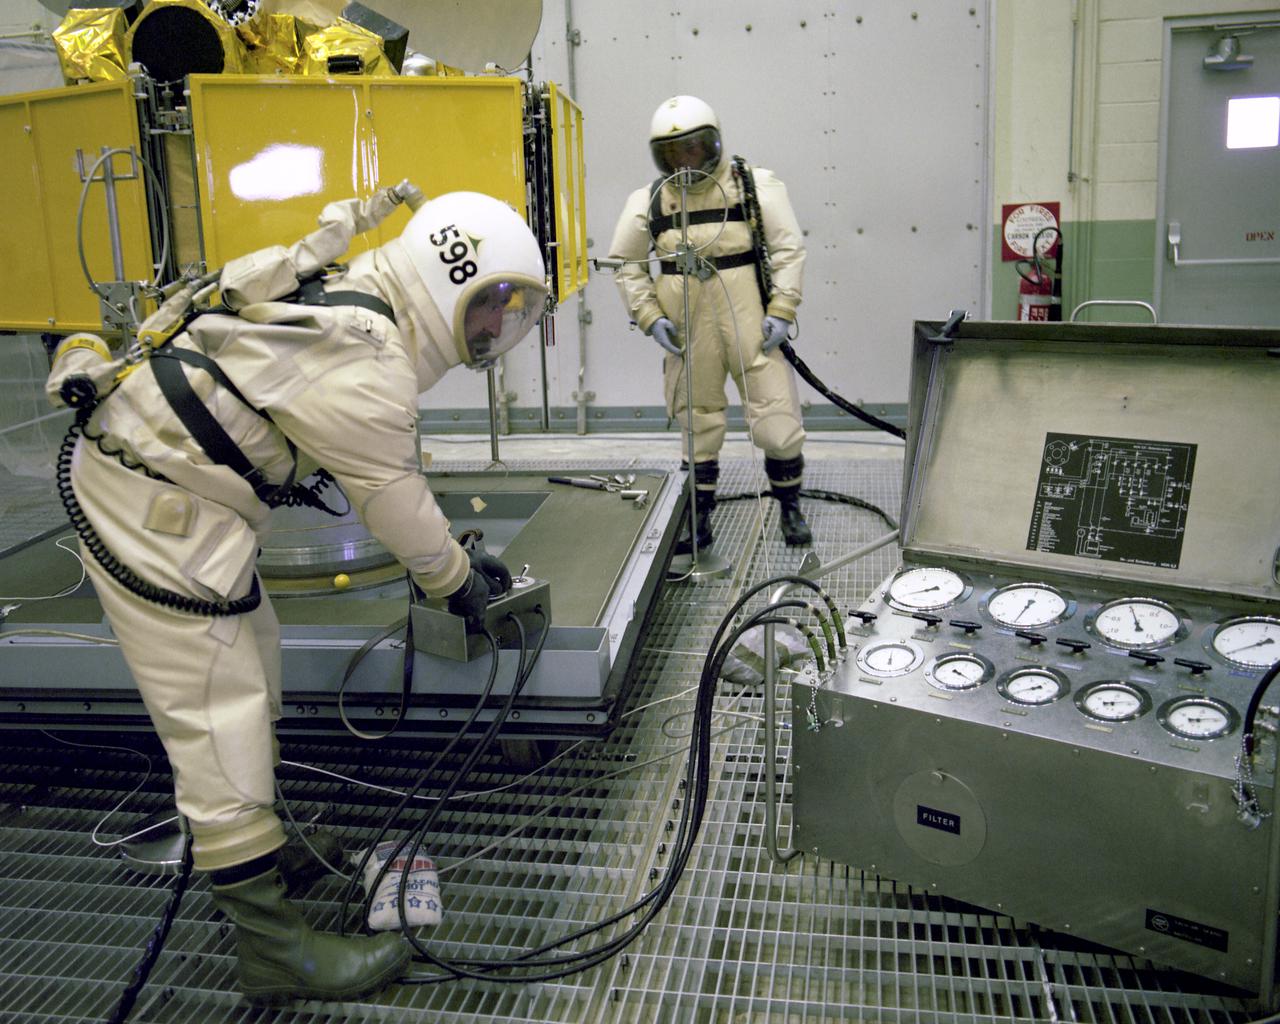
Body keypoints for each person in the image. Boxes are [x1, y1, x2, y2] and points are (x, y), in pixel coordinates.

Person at [46, 187, 547, 1005]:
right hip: (152, 504)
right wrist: (454, 578)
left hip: (170, 492)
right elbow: (393, 497)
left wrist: (451, 559)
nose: (495, 329)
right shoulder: (369, 354)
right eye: (490, 306)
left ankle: (260, 847)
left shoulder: (351, 299)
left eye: (509, 311)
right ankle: (272, 947)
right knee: (220, 706)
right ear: (448, 282)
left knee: (256, 657)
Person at [608, 95, 812, 553]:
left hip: (750, 320)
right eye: (673, 154)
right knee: (696, 423)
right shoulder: (651, 201)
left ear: (713, 144)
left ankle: (790, 507)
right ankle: (698, 522)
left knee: (776, 421)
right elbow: (625, 262)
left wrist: (782, 309)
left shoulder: (755, 188)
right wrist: (649, 316)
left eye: (695, 149)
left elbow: (787, 250)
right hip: (688, 325)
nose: (686, 162)